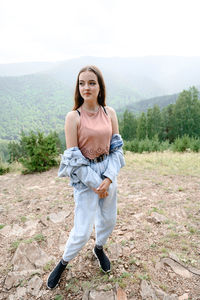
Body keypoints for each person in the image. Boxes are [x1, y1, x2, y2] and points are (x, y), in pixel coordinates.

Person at [47, 65, 125, 289]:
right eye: (82, 83)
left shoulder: (109, 113)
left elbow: (117, 149)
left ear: (100, 86)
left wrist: (108, 178)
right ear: (77, 87)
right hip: (85, 178)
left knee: (109, 220)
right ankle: (63, 263)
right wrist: (95, 184)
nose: (86, 87)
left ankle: (99, 248)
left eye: (91, 83)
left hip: (108, 172)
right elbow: (73, 159)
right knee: (81, 231)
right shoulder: (74, 117)